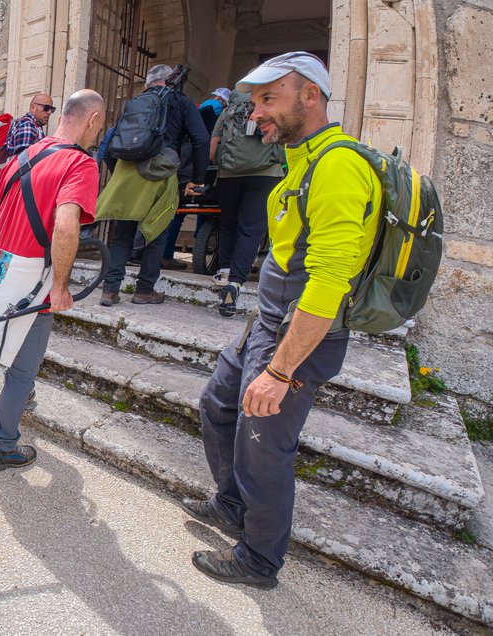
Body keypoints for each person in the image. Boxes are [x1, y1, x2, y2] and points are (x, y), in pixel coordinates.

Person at [181, 52, 380, 589]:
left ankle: (258, 560)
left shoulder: (338, 165)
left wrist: (280, 370)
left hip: (296, 335)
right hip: (266, 321)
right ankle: (231, 505)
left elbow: (329, 280)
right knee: (218, 405)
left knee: (263, 446)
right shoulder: (301, 160)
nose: (256, 114)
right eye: (254, 102)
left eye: (269, 99)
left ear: (310, 96)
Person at [0, 89, 105, 470]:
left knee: (14, 355)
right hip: (35, 283)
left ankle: (19, 402)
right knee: (23, 370)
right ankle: (2, 445)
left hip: (1, 274)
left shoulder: (21, 158)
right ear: (93, 120)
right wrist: (60, 286)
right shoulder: (81, 165)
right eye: (99, 128)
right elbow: (66, 226)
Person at [100, 64, 208, 302]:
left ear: (147, 83)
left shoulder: (135, 103)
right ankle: (144, 290)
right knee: (157, 234)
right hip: (162, 173)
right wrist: (197, 179)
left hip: (128, 171)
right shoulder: (181, 102)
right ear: (172, 81)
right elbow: (201, 139)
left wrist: (120, 174)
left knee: (123, 235)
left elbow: (109, 145)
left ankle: (110, 289)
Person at [209, 89, 285, 316]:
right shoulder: (274, 109)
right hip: (266, 174)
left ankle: (224, 271)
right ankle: (235, 284)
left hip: (229, 174)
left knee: (228, 224)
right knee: (251, 230)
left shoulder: (229, 111)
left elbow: (212, 149)